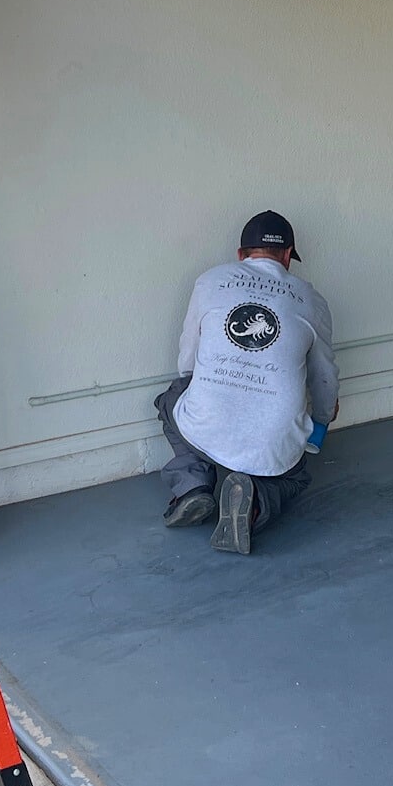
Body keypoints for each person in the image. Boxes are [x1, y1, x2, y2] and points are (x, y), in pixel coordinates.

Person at [154, 211, 338, 555]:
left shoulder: (210, 280)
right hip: (274, 437)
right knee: (294, 476)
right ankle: (254, 503)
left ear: (241, 255)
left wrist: (208, 390)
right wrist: (324, 418)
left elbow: (187, 357)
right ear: (287, 256)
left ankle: (192, 486)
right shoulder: (312, 300)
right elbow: (324, 376)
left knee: (172, 397)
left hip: (205, 424)